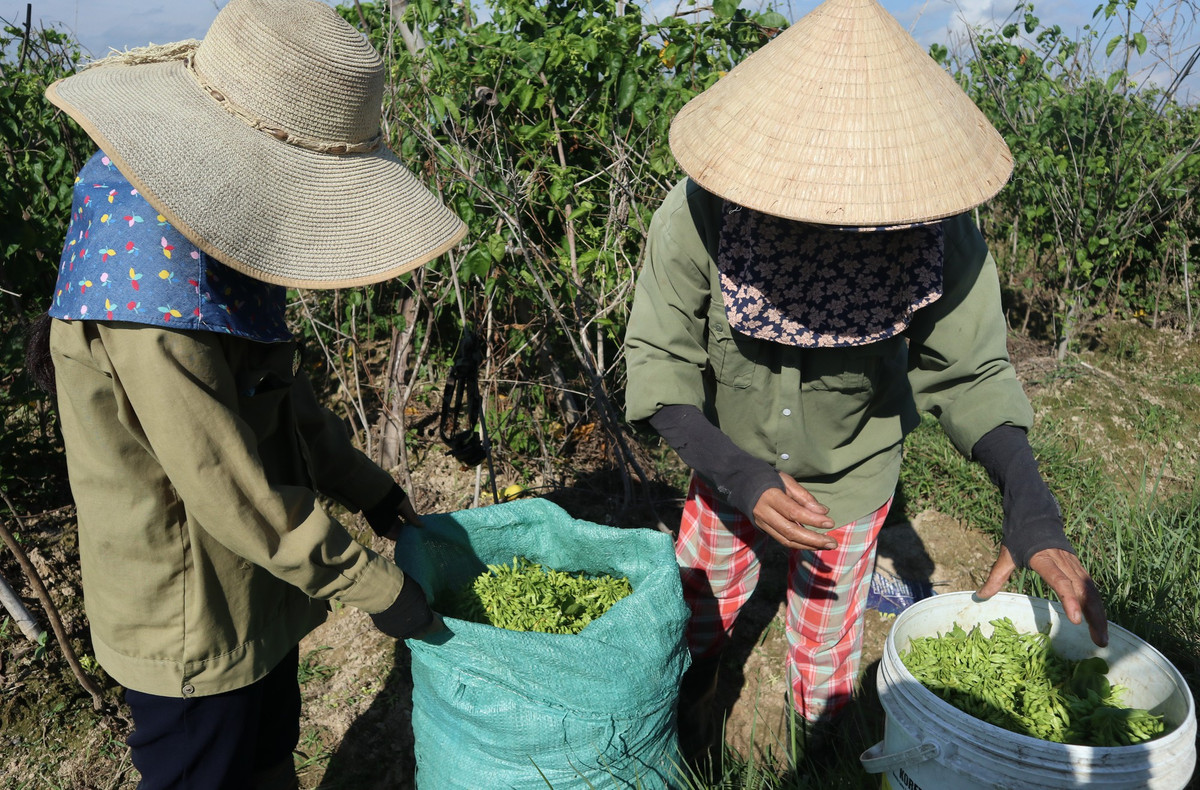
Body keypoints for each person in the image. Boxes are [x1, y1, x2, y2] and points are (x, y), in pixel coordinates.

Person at [623, 0, 1109, 757]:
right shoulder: (702, 215)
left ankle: (816, 752)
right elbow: (661, 360)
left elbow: (972, 372)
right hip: (728, 462)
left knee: (824, 652)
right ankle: (691, 710)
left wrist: (1030, 499)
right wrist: (737, 474)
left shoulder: (937, 235)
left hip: (852, 476)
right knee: (699, 611)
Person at [26, 0, 466, 787]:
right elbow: (221, 479)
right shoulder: (145, 285)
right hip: (190, 614)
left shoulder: (206, 225)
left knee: (267, 760)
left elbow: (273, 393)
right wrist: (374, 585)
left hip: (255, 588)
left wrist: (366, 488)